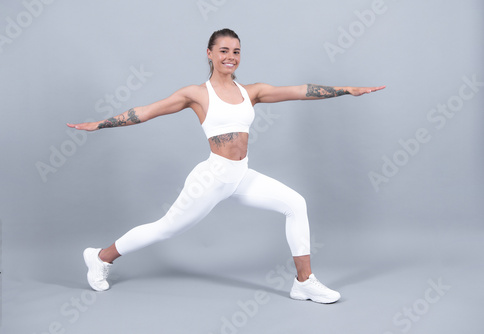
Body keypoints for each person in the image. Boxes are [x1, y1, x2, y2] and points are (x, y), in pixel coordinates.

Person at [67, 28, 385, 304]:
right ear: (209, 54)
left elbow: (299, 91)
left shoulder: (251, 92)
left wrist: (346, 90)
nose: (230, 57)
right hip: (213, 176)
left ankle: (304, 283)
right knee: (164, 228)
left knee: (296, 204)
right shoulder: (196, 95)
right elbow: (147, 111)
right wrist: (101, 124)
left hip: (241, 175)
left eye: (236, 51)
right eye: (223, 51)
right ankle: (100, 257)